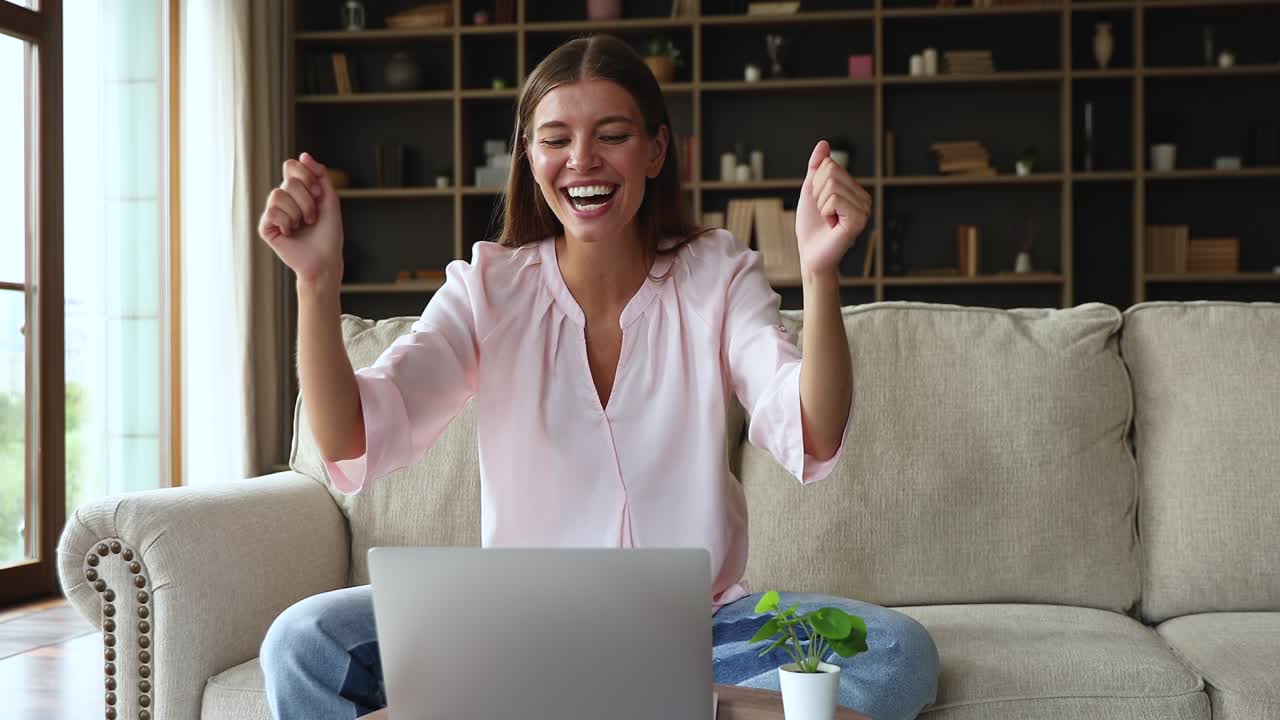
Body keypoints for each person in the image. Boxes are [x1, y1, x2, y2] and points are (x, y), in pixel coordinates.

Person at [255, 34, 938, 720]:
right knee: (304, 642)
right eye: (556, 139)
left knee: (893, 649)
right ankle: (663, 707)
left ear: (656, 151)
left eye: (612, 135)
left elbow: (811, 431)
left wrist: (820, 272)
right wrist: (317, 282)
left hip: (696, 634)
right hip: (518, 633)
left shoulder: (718, 274)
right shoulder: (487, 288)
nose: (582, 159)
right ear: (530, 156)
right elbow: (351, 437)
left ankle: (623, 701)